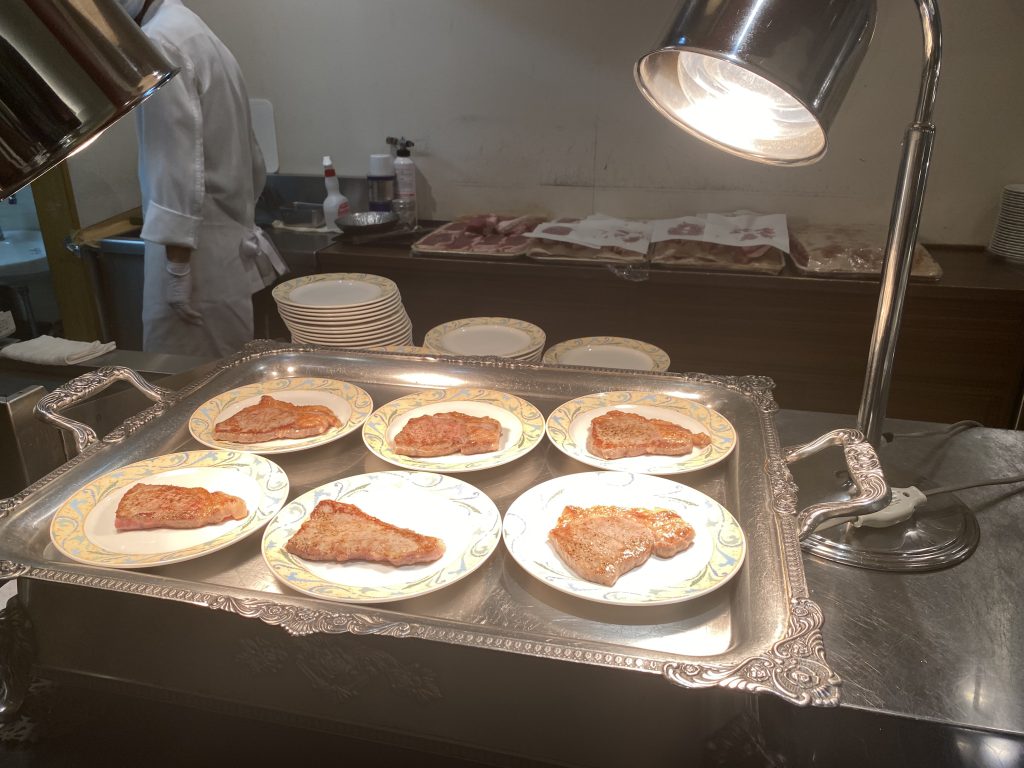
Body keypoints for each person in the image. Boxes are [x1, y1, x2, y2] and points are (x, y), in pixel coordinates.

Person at [116, 0, 285, 358]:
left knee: (187, 378)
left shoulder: (159, 40)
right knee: (228, 374)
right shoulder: (195, 31)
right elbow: (252, 156)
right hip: (224, 249)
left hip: (194, 258)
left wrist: (177, 266)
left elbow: (173, 159)